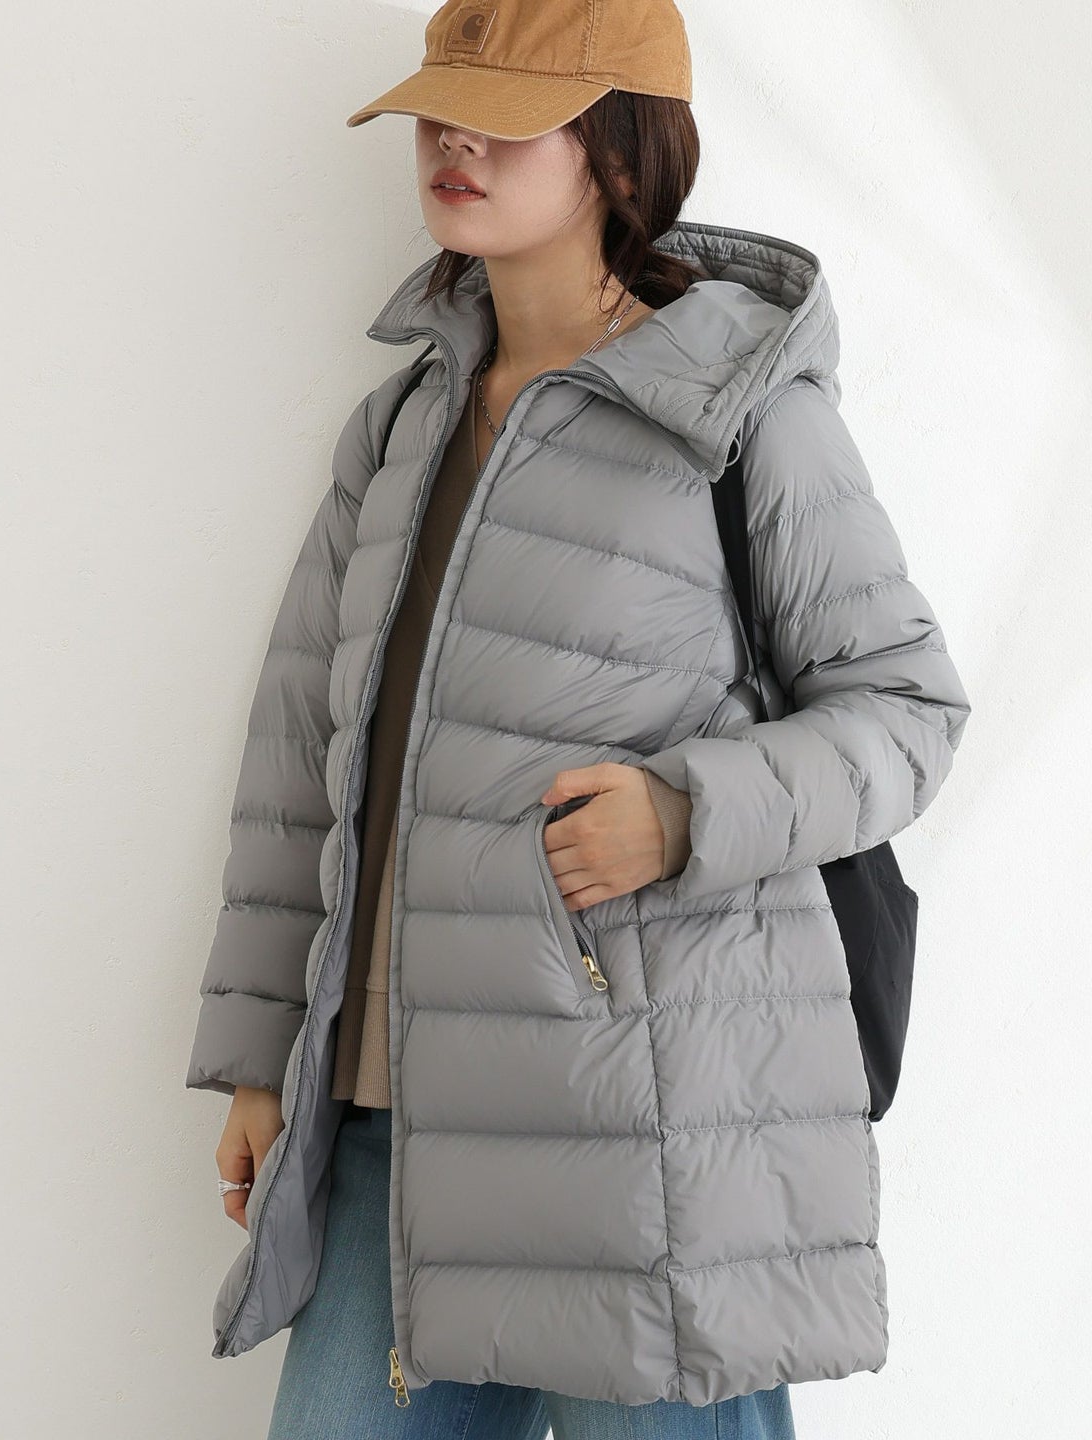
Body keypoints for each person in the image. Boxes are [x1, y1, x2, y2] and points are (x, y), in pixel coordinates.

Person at [184, 1, 973, 1435]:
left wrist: (684, 814)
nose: (455, 142)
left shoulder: (741, 413)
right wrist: (262, 1060)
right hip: (397, 1131)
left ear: (618, 152)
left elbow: (908, 709)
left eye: (506, 118)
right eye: (441, 109)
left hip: (658, 1151)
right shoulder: (400, 426)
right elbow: (302, 757)